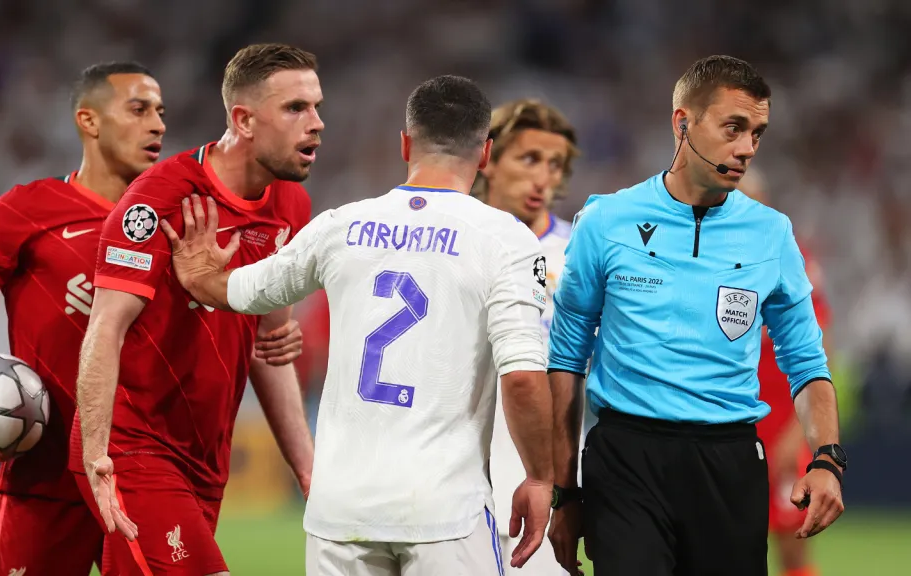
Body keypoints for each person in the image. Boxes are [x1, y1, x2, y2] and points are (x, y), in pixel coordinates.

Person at [161, 75, 556, 576]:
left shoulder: (339, 226)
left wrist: (199, 274)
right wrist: (541, 477)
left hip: (339, 511)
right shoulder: (505, 239)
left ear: (405, 144)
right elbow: (522, 376)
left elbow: (240, 292)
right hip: (443, 510)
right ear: (485, 153)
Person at [547, 55, 846, 576]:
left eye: (757, 132)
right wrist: (562, 491)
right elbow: (567, 361)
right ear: (682, 123)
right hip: (625, 460)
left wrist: (826, 459)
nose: (748, 147)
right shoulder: (606, 222)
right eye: (734, 127)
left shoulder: (772, 233)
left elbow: (807, 362)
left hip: (728, 462)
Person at [72, 43, 320, 576]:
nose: (317, 123)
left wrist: (308, 470)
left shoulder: (292, 207)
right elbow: (105, 330)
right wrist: (98, 455)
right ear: (244, 120)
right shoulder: (158, 203)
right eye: (296, 108)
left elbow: (270, 349)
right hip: (134, 448)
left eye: (317, 106)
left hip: (205, 460)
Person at [0, 62, 165, 576]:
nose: (158, 125)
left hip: (146, 473)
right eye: (139, 110)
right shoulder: (25, 210)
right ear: (89, 121)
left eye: (161, 112)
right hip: (45, 473)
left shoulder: (173, 219)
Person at [473, 98, 579, 575]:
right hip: (460, 466)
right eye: (529, 158)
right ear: (488, 158)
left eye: (555, 164)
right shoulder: (458, 240)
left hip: (543, 473)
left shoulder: (578, 256)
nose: (544, 177)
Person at [741, 168, 831, 576]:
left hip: (780, 422)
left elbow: (816, 351)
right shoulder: (702, 257)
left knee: (791, 540)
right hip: (729, 418)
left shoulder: (792, 259)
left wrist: (796, 434)